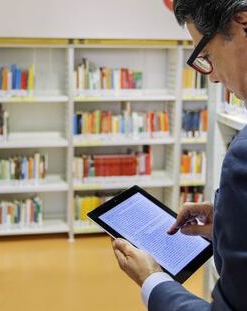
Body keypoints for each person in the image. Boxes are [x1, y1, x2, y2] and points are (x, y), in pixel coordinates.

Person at [111, 1, 247, 310]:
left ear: (243, 23)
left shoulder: (243, 157)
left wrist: (153, 280)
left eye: (207, 56)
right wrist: (230, 226)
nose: (211, 78)